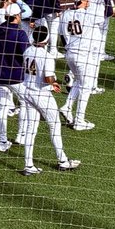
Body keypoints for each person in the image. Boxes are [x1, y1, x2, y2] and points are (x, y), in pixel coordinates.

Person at [20, 26, 81, 175]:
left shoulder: (27, 51)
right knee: (55, 126)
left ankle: (28, 165)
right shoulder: (46, 56)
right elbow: (48, 77)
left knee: (31, 129)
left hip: (27, 92)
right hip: (41, 94)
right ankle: (63, 161)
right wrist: (53, 83)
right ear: (46, 39)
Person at [0, 2, 28, 151]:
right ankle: (21, 136)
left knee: (3, 107)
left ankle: (2, 142)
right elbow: (26, 55)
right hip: (17, 76)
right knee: (25, 103)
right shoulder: (20, 34)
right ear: (17, 16)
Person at [59, 0, 100, 130]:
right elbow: (103, 11)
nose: (88, 1)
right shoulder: (89, 16)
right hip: (83, 56)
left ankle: (66, 107)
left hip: (70, 55)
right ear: (82, 0)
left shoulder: (65, 14)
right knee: (86, 87)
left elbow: (63, 36)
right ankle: (79, 121)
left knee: (79, 82)